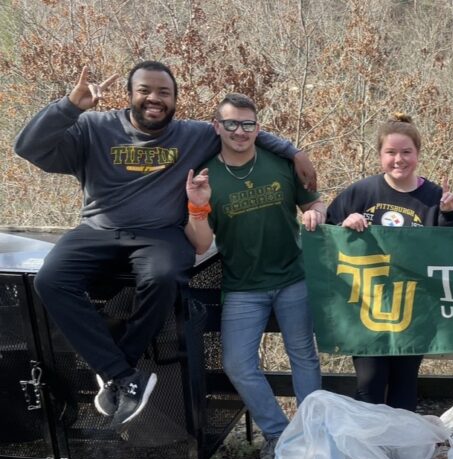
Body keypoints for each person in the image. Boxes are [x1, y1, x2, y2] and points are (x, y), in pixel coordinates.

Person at [13, 62, 316, 428]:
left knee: (167, 275)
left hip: (159, 233)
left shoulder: (192, 134)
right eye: (145, 90)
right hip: (98, 227)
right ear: (130, 94)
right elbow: (28, 147)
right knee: (50, 281)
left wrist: (294, 152)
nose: (154, 98)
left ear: (174, 99)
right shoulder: (94, 127)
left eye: (163, 92)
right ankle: (124, 376)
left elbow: (241, 131)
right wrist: (70, 106)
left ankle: (118, 367)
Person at [184, 93, 324, 459]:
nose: (239, 131)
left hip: (293, 276)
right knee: (236, 363)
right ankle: (279, 435)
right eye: (230, 123)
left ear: (258, 128)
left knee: (304, 356)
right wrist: (197, 206)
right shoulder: (205, 175)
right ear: (217, 126)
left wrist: (315, 215)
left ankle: (314, 436)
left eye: (247, 124)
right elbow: (199, 242)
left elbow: (314, 203)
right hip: (242, 285)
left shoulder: (280, 163)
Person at [326, 113, 453, 411]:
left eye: (406, 152)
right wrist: (345, 223)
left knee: (404, 384)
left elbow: (452, 250)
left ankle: (401, 449)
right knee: (369, 384)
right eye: (390, 152)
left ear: (418, 154)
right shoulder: (362, 192)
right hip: (366, 306)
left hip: (414, 308)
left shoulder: (435, 196)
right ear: (379, 155)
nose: (398, 159)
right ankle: (369, 450)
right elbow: (326, 232)